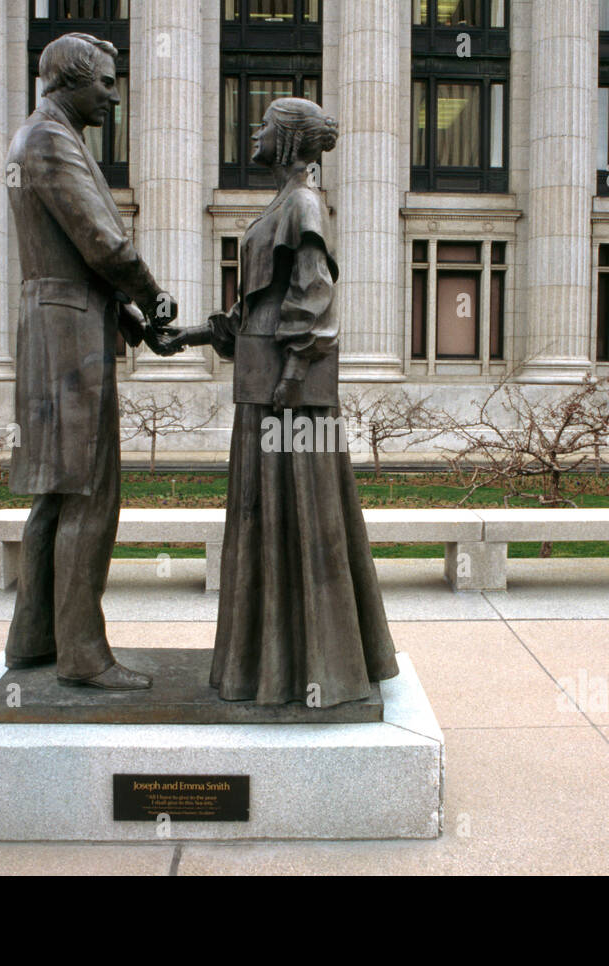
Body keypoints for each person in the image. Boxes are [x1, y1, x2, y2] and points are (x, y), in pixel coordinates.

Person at [162, 98, 399, 708]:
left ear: (290, 142)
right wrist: (188, 336)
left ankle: (314, 669)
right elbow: (253, 310)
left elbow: (315, 303)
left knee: (303, 520)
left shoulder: (303, 204)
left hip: (287, 398)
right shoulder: (283, 204)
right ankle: (275, 665)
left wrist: (291, 377)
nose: (254, 132)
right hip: (265, 388)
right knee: (267, 521)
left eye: (264, 126)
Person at [4, 32, 180, 690]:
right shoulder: (50, 140)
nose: (113, 92)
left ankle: (32, 640)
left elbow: (79, 258)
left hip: (61, 325)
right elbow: (104, 246)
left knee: (57, 493)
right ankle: (81, 655)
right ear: (67, 80)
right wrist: (155, 299)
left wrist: (134, 324)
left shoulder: (42, 137)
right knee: (89, 495)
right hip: (68, 338)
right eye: (104, 81)